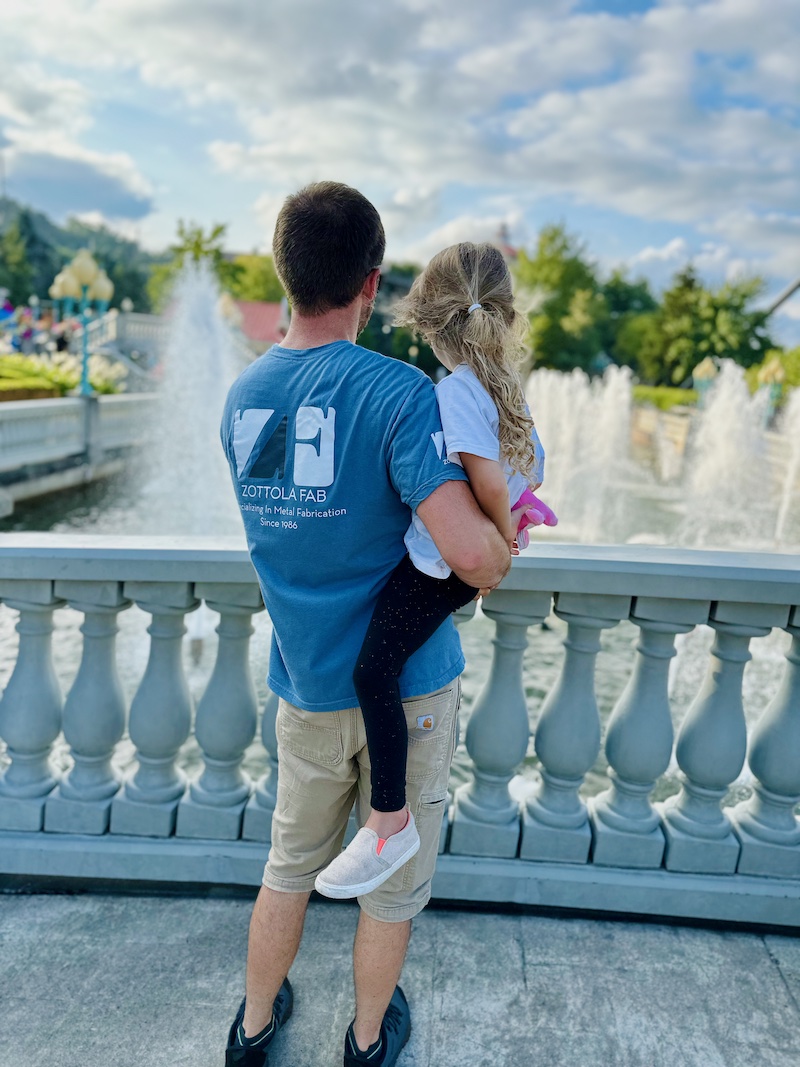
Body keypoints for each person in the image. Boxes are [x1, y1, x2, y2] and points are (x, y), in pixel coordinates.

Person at [220, 183, 509, 1067]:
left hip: (307, 684)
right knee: (391, 881)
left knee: (288, 867)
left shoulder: (240, 397)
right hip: (408, 685)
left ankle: (254, 1028)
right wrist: (509, 535)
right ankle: (367, 1039)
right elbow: (474, 555)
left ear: (286, 272)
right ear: (372, 283)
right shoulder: (398, 392)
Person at [314, 241, 551, 901]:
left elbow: (488, 481)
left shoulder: (455, 390)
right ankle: (389, 820)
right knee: (384, 661)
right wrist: (511, 521)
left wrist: (494, 542)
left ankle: (389, 821)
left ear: (432, 325)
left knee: (373, 670)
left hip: (438, 565)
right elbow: (530, 469)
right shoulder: (503, 385)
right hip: (448, 566)